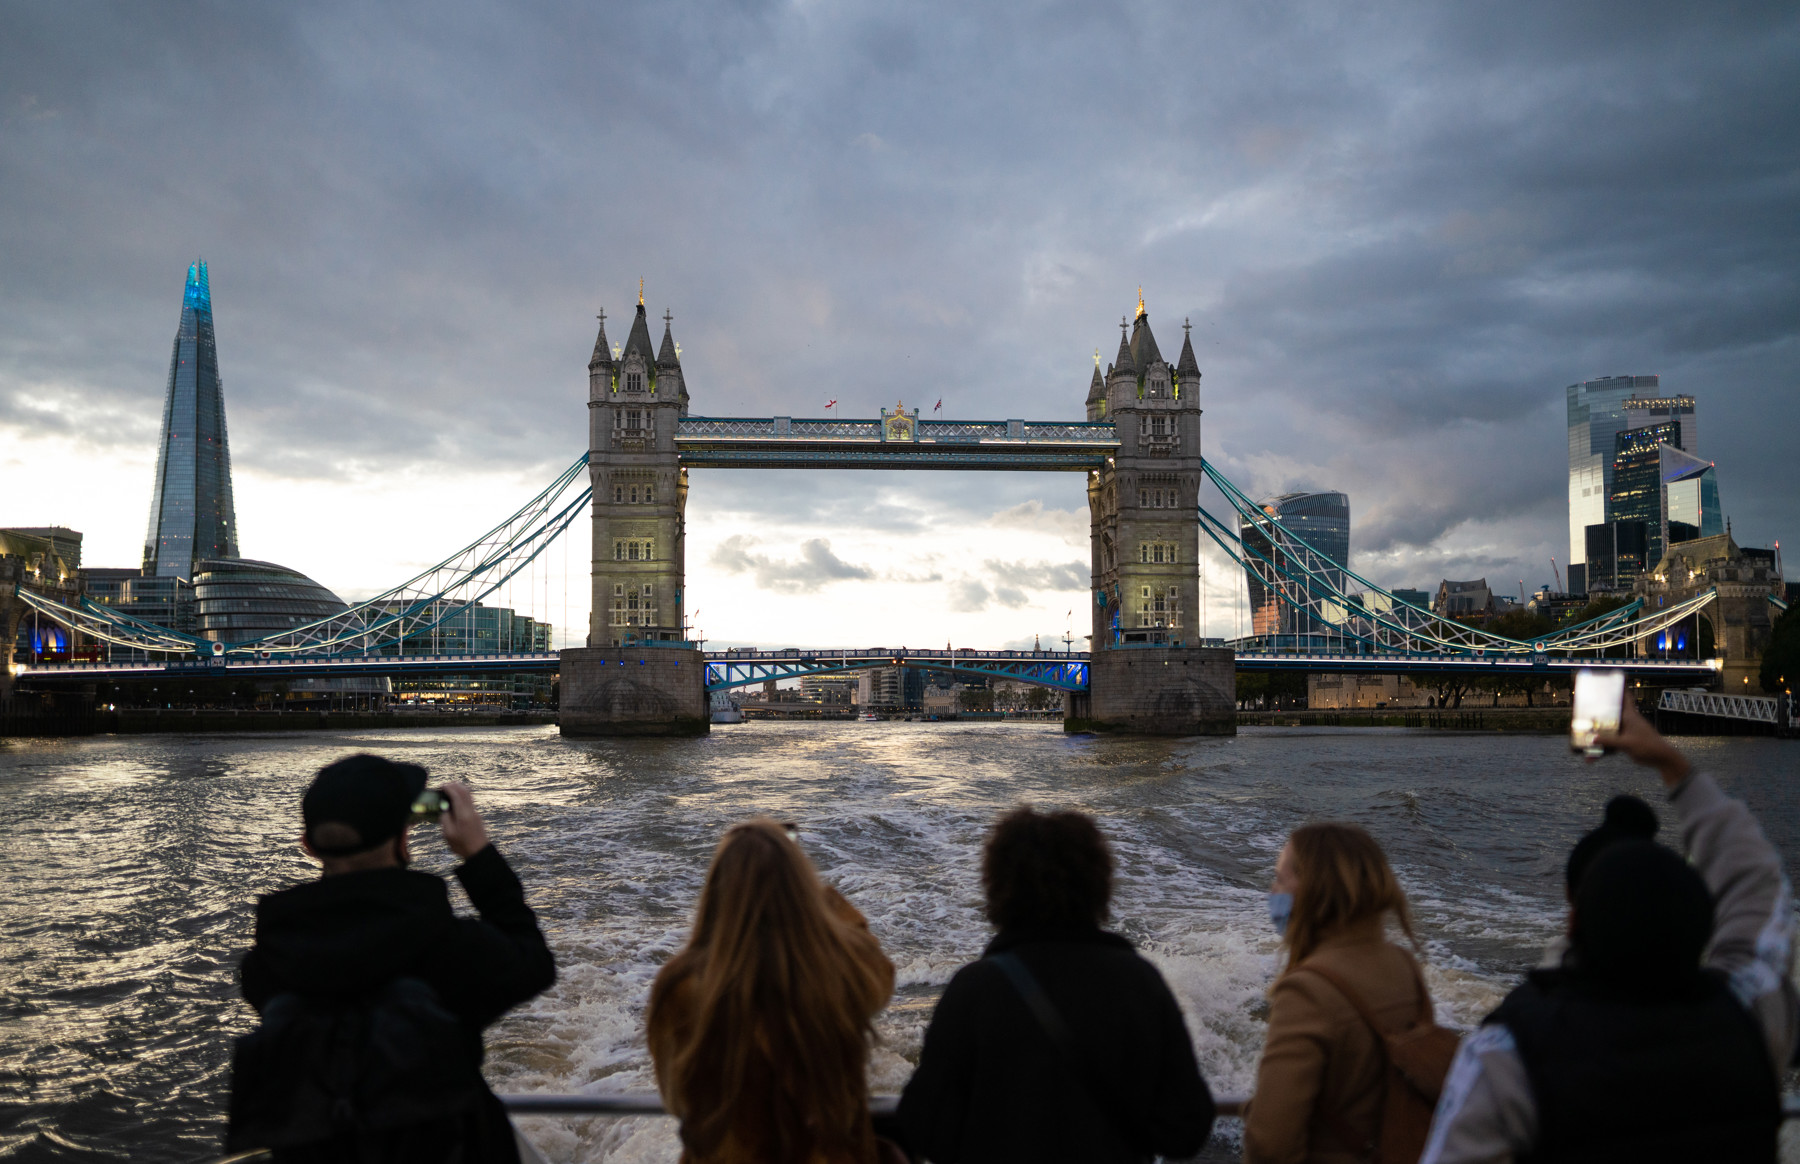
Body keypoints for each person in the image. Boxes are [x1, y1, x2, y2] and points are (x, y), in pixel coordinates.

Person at [1420, 701, 1798, 1163]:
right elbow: (1758, 883)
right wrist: (1673, 764)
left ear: (1573, 921)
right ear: (1701, 924)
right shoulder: (1751, 1018)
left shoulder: (1507, 1055)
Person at [228, 754, 557, 1163]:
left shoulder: (266, 968)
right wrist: (477, 854)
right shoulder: (451, 949)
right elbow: (534, 961)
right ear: (404, 840)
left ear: (308, 845)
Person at [899, 807, 1216, 1163]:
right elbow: (1186, 1128)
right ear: (1099, 883)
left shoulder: (974, 989)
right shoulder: (1138, 982)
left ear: (997, 886)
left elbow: (922, 1124)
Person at [647, 818, 896, 1164]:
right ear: (799, 889)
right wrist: (821, 899)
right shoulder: (837, 973)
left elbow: (676, 1101)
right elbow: (881, 974)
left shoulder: (678, 986)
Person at [1245, 821, 1448, 1164]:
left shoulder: (1307, 990)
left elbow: (1271, 1144)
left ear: (1314, 890)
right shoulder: (1403, 966)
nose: (1272, 889)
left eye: (1280, 878)